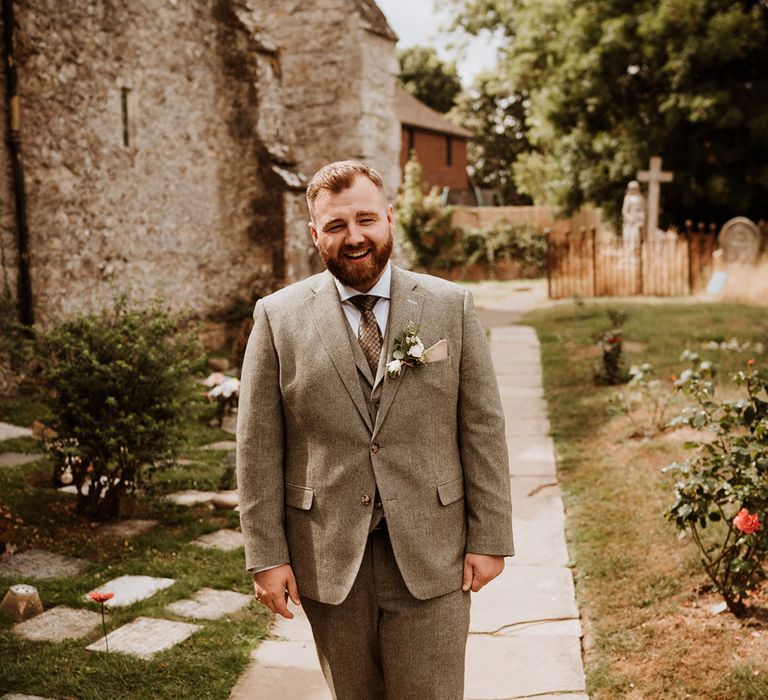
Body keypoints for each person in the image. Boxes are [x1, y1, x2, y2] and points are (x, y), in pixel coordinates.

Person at [236, 160, 514, 699]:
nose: (354, 237)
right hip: (329, 558)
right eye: (336, 226)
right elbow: (258, 446)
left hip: (436, 552)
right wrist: (267, 555)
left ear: (389, 219)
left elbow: (482, 425)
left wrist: (491, 535)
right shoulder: (278, 317)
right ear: (315, 234)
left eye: (366, 219)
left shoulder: (449, 305)